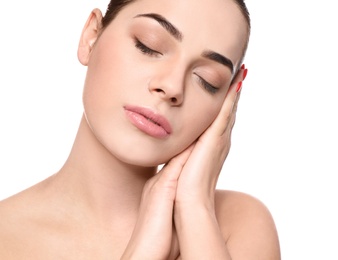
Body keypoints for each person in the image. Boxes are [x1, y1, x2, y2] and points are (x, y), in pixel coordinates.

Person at [0, 0, 281, 259]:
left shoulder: (237, 225)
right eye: (149, 46)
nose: (172, 86)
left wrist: (195, 208)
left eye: (207, 80)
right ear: (91, 35)